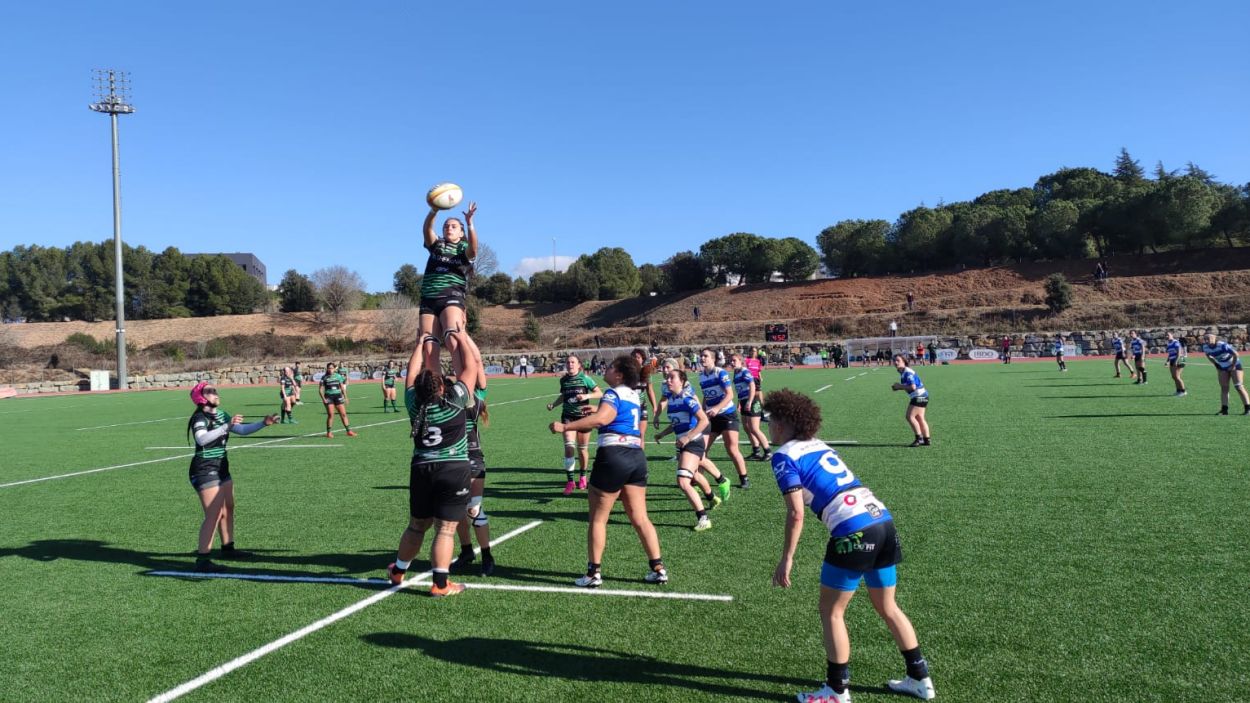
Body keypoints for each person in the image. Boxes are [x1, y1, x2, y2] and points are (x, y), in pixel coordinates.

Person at [766, 389, 935, 703]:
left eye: (770, 420)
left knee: (831, 611)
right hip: (881, 520)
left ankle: (837, 690)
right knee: (888, 607)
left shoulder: (783, 455)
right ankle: (920, 678)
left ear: (784, 422)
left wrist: (786, 558)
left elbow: (795, 512)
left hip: (854, 532)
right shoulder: (817, 444)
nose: (767, 427)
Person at [549, 355, 668, 588]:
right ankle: (658, 568)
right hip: (636, 457)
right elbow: (614, 414)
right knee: (640, 517)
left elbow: (602, 420)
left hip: (614, 455)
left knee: (598, 518)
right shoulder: (633, 395)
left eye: (612, 367)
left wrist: (565, 426)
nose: (607, 368)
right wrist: (596, 408)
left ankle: (594, 573)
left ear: (620, 375)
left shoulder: (612, 394)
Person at [385, 327, 481, 597]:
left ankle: (399, 570)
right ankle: (440, 584)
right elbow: (471, 367)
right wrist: (461, 338)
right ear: (441, 387)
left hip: (422, 469)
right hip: (452, 469)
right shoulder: (455, 401)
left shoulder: (414, 403)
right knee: (446, 529)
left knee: (416, 525)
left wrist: (419, 345)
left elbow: (410, 375)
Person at [185, 382, 278, 573]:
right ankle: (202, 560)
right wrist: (226, 426)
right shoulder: (199, 417)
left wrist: (263, 423)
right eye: (210, 391)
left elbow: (241, 430)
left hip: (222, 467)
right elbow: (201, 438)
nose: (216, 393)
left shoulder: (222, 414)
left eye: (215, 390)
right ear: (201, 397)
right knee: (214, 513)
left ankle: (228, 549)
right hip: (205, 468)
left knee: (228, 508)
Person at [653, 369, 719, 531]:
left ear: (681, 381)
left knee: (683, 481)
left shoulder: (687, 399)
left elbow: (703, 420)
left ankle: (703, 518)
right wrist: (662, 434)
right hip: (685, 444)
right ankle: (712, 498)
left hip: (694, 442)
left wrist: (687, 437)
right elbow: (677, 423)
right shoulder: (672, 400)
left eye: (671, 378)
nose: (668, 380)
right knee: (694, 474)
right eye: (667, 378)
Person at [418, 201, 478, 372]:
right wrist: (434, 210)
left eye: (453, 226)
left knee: (453, 338)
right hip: (429, 298)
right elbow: (427, 230)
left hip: (451, 296)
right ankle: (434, 391)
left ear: (461, 232)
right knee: (428, 346)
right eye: (446, 226)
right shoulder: (437, 245)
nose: (448, 228)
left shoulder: (463, 247)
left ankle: (463, 387)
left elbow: (474, 250)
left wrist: (470, 223)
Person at [453, 334, 495, 576]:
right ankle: (467, 550)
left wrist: (462, 336)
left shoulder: (477, 399)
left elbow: (475, 361)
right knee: (455, 509)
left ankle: (487, 555)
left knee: (473, 508)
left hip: (472, 458)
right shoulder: (450, 397)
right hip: (451, 460)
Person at [546, 354, 601, 494]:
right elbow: (563, 396)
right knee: (569, 448)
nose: (570, 364)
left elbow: (599, 393)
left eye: (573, 362)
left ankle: (583, 476)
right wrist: (554, 404)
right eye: (568, 362)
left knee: (582, 450)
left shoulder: (585, 378)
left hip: (583, 418)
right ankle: (570, 481)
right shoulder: (563, 380)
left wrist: (587, 396)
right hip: (568, 417)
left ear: (578, 365)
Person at [699, 348, 750, 488]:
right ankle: (698, 481)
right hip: (712, 417)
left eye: (705, 356)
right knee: (701, 450)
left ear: (713, 359)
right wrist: (704, 410)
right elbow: (706, 395)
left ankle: (744, 478)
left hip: (727, 415)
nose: (702, 358)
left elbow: (730, 395)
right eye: (701, 356)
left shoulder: (720, 373)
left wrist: (716, 408)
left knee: (732, 449)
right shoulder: (701, 376)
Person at [730, 352, 771, 461]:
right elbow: (740, 389)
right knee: (747, 428)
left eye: (734, 360)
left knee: (754, 428)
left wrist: (749, 401)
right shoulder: (736, 372)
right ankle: (756, 451)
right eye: (731, 361)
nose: (732, 363)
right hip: (744, 401)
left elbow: (752, 386)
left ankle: (768, 451)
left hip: (752, 402)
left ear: (741, 361)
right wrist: (740, 403)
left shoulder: (744, 371)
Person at [1201, 333, 1249, 415]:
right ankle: (1224, 410)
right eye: (1205, 339)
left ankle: (1248, 409)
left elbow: (1236, 354)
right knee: (1224, 388)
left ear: (1215, 338)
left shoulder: (1222, 345)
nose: (1206, 340)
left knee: (1239, 386)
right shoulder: (1205, 347)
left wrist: (1233, 366)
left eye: (1209, 338)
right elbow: (1208, 355)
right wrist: (1216, 365)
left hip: (1234, 365)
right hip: (1223, 367)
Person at [892, 354, 930, 447]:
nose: (895, 362)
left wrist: (899, 386)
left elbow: (912, 387)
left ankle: (919, 438)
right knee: (920, 418)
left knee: (909, 417)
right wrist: (899, 387)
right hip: (924, 395)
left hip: (918, 396)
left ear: (904, 361)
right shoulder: (903, 372)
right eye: (894, 361)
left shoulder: (907, 372)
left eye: (898, 360)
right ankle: (927, 439)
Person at [319, 362, 356, 438]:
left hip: (338, 396)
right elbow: (320, 389)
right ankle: (329, 432)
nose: (330, 370)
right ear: (327, 369)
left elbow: (342, 387)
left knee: (343, 414)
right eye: (329, 368)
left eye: (331, 368)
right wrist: (323, 399)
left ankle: (348, 431)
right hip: (329, 397)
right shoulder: (324, 377)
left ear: (334, 369)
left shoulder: (338, 376)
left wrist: (346, 397)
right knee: (331, 414)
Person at [631, 348, 660, 443]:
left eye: (638, 357)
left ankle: (640, 457)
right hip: (629, 406)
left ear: (642, 359)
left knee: (641, 434)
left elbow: (650, 390)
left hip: (642, 406)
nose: (636, 359)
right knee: (630, 434)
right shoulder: (627, 373)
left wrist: (655, 407)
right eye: (634, 357)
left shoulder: (646, 373)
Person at [1164, 332, 1187, 397]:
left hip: (1179, 360)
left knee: (1177, 376)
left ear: (1172, 335)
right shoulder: (1168, 344)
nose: (1166, 336)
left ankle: (1183, 391)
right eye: (1165, 335)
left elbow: (1179, 352)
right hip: (1172, 360)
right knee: (1174, 377)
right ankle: (1178, 391)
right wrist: (1167, 361)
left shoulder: (1176, 342)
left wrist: (1176, 361)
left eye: (1168, 335)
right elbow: (1170, 353)